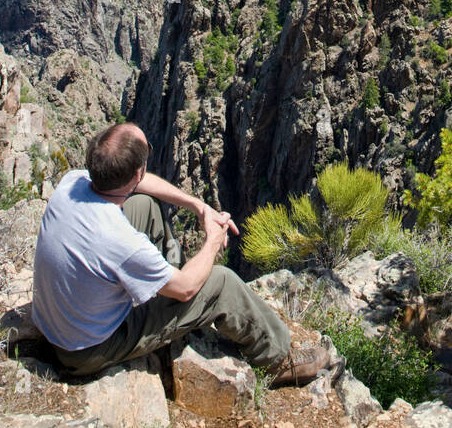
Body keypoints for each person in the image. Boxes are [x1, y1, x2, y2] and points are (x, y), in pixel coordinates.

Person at [31, 121, 331, 385]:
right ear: (136, 172)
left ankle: (164, 289)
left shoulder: (75, 181)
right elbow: (187, 289)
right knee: (221, 282)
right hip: (86, 350)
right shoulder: (118, 239)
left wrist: (197, 205)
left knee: (145, 206)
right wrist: (213, 239)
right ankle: (277, 360)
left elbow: (140, 184)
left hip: (57, 324)